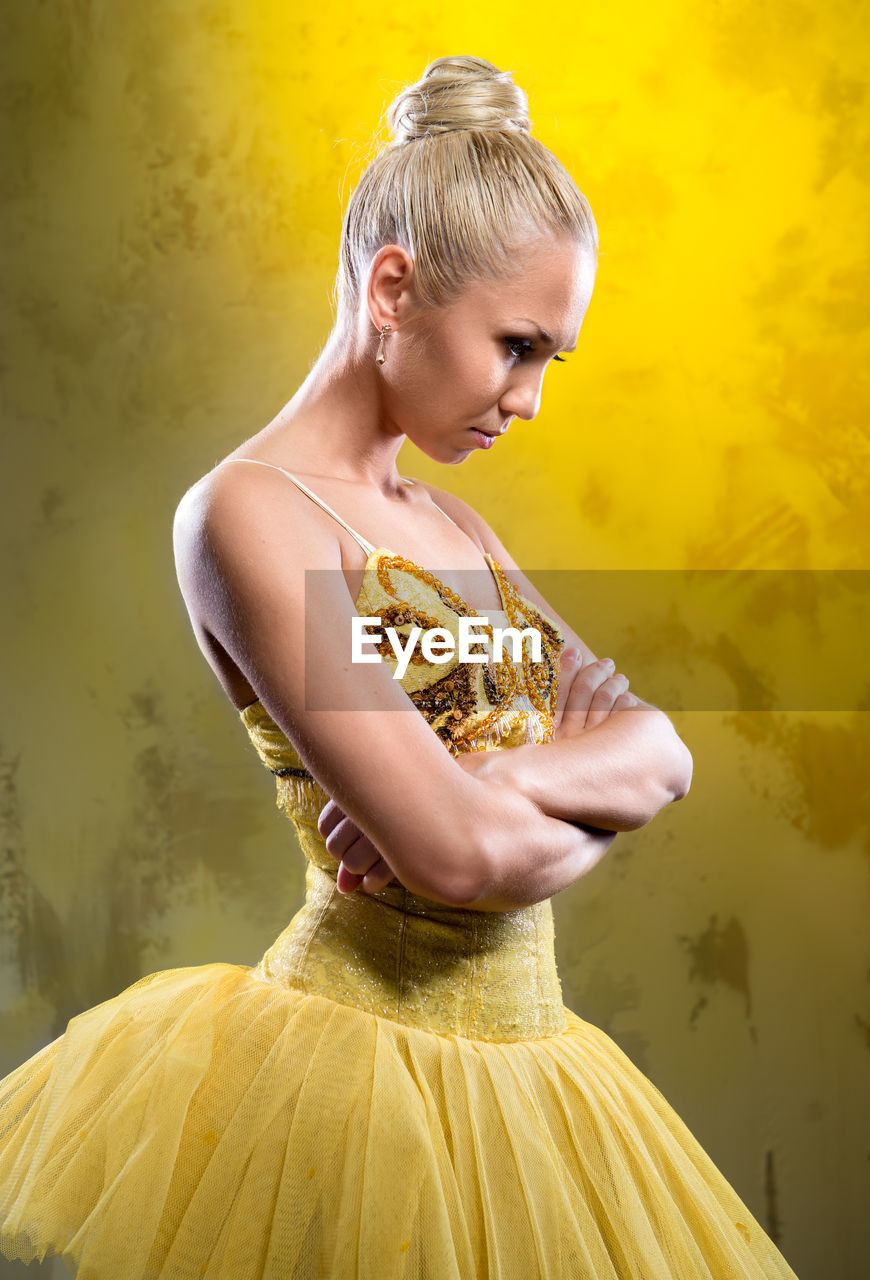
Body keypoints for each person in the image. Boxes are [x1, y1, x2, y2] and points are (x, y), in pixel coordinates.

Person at [0, 54, 800, 1280]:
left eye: (553, 361)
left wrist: (498, 779)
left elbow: (662, 750)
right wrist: (547, 802)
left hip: (538, 1067)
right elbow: (460, 859)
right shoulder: (250, 517)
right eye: (517, 346)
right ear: (393, 285)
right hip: (354, 1077)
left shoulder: (459, 528)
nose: (530, 400)